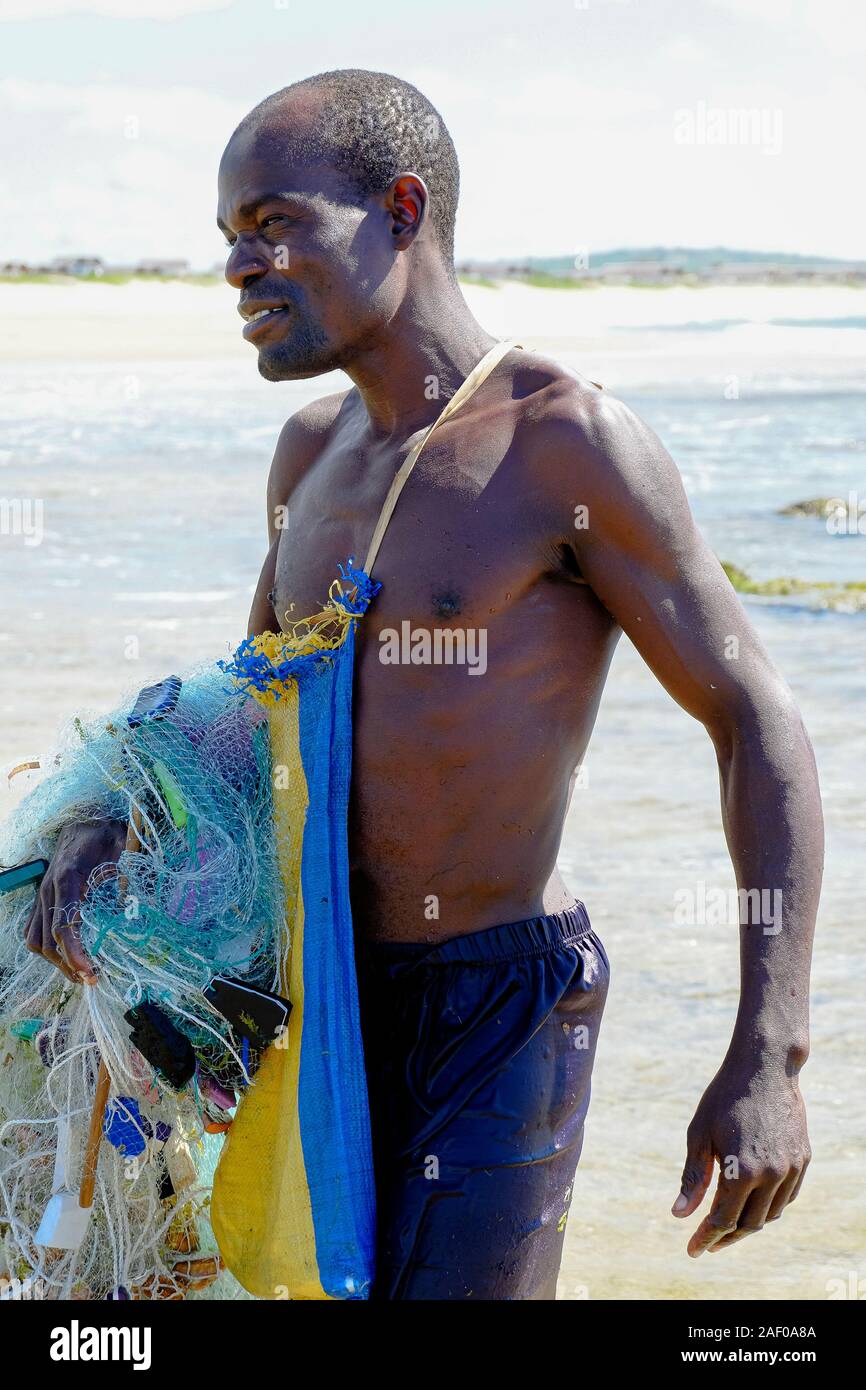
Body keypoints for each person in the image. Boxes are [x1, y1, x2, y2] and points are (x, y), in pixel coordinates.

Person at [26, 69, 822, 1301]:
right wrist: (102, 820)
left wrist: (768, 1048)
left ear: (401, 209)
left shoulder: (562, 440)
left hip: (502, 1005)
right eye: (228, 239)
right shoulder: (307, 456)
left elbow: (750, 714)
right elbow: (250, 715)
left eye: (273, 223)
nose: (239, 268)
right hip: (317, 991)